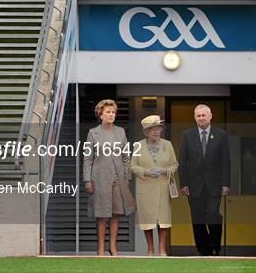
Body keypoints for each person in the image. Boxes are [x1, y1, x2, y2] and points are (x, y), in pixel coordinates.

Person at [83, 99, 136, 256]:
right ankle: (100, 250)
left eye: (113, 112)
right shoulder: (93, 133)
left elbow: (126, 157)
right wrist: (87, 180)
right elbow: (87, 158)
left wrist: (127, 178)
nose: (111, 114)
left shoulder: (120, 132)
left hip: (117, 179)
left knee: (115, 214)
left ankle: (113, 248)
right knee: (101, 215)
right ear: (100, 114)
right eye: (108, 112)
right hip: (98, 179)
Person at [178, 104, 231, 256]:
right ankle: (203, 249)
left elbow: (226, 162)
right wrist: (184, 184)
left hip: (215, 185)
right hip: (194, 185)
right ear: (195, 118)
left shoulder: (221, 135)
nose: (201, 118)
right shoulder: (187, 135)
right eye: (198, 116)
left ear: (210, 116)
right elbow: (183, 161)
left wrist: (225, 184)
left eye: (203, 115)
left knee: (214, 213)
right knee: (197, 217)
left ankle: (214, 246)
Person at [131, 115, 178, 256]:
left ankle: (162, 249)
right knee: (148, 220)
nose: (156, 131)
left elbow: (175, 164)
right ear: (146, 132)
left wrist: (165, 170)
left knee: (163, 220)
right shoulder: (138, 145)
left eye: (158, 128)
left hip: (163, 188)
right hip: (145, 188)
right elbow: (132, 166)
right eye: (152, 129)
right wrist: (146, 172)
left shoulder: (167, 144)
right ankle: (150, 249)